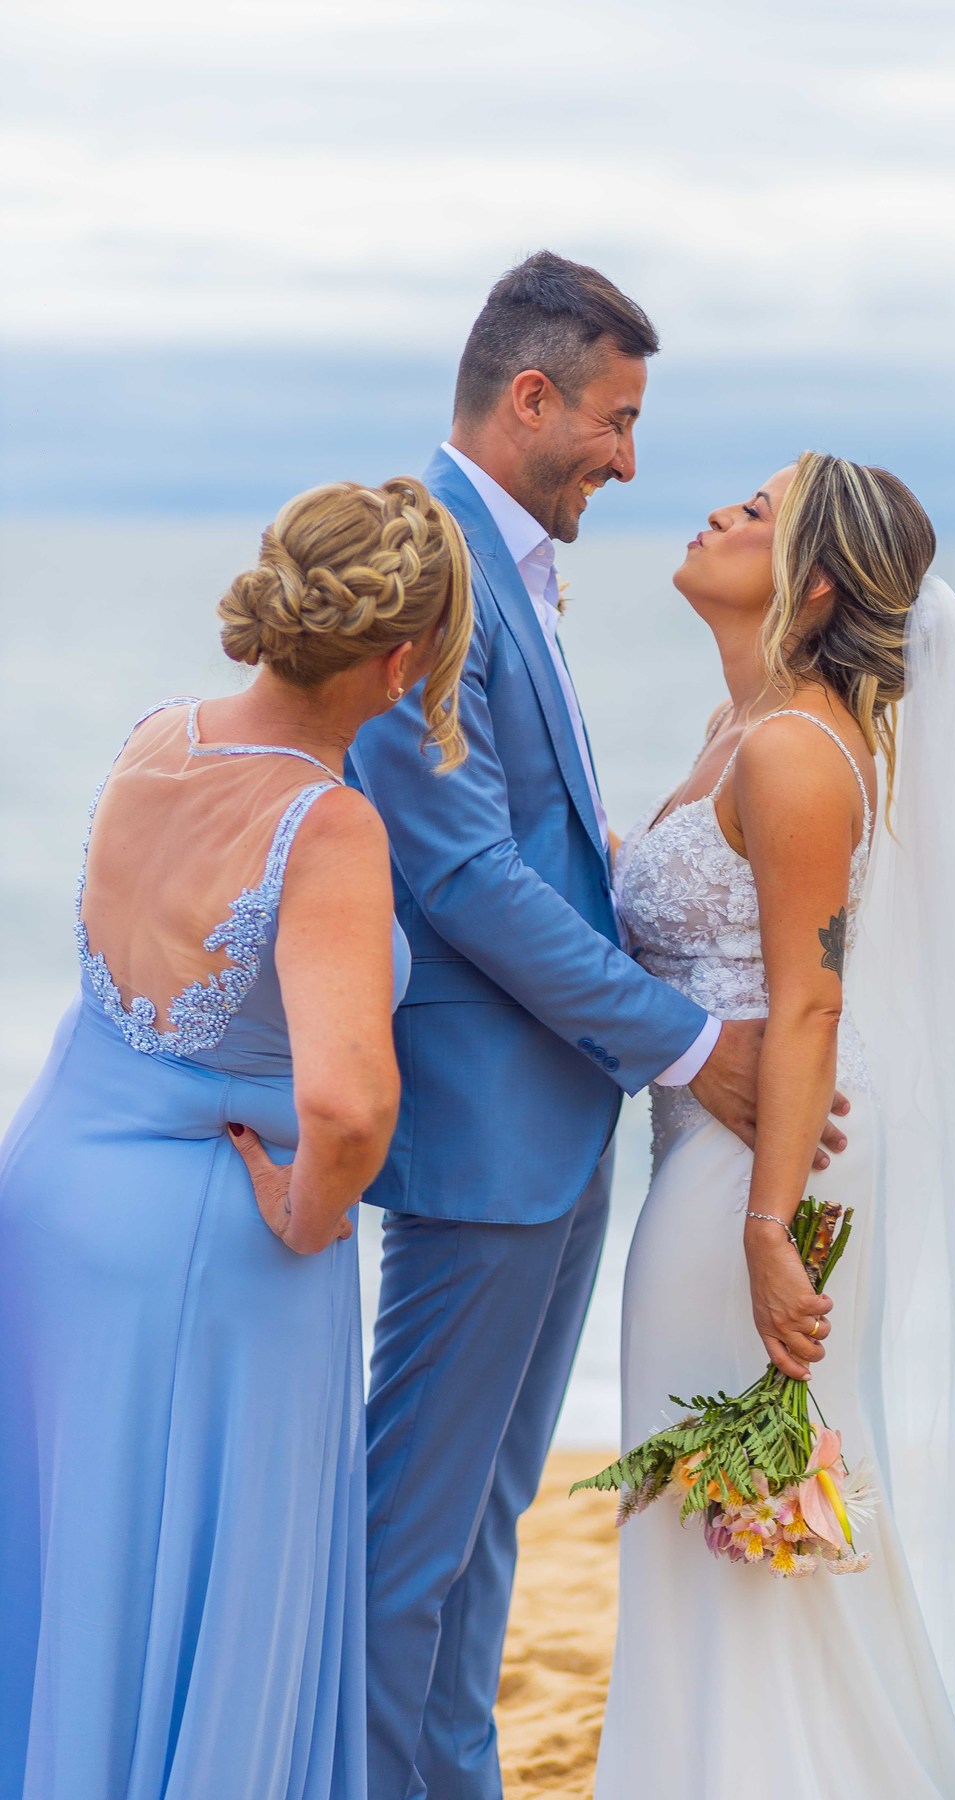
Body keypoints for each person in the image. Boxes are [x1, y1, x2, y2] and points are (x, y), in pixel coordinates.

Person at [348, 252, 851, 1800]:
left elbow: (546, 856)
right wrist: (701, 1048)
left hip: (559, 1137)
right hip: (488, 1142)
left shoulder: (513, 569)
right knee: (406, 1557)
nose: (629, 461)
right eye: (616, 422)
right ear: (530, 395)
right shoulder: (427, 565)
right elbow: (471, 882)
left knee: (478, 1541)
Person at [0, 477, 471, 1800]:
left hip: (50, 1204)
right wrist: (316, 1211)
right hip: (203, 1265)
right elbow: (350, 1101)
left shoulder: (156, 737)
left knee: (71, 1589)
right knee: (208, 1622)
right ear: (398, 662)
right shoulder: (328, 826)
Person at [596, 452, 955, 1798]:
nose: (720, 510)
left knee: (739, 1515)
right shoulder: (746, 727)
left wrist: (772, 1231)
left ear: (812, 579)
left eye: (758, 512)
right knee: (719, 1523)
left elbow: (813, 1003)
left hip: (764, 1172)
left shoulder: (792, 749)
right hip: (722, 1150)